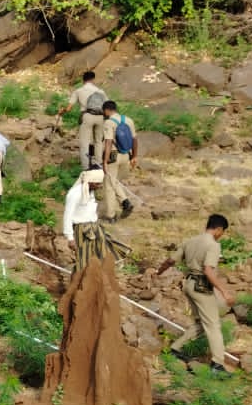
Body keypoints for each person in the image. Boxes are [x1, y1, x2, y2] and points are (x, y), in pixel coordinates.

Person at [156, 215, 234, 373]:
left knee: (202, 323)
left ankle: (175, 348)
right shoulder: (213, 245)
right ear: (219, 229)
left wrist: (159, 271)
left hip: (189, 285)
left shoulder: (190, 240)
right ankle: (217, 364)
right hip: (201, 287)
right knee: (213, 325)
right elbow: (208, 270)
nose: (222, 234)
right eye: (223, 232)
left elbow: (171, 260)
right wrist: (225, 291)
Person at [60, 164, 116, 271]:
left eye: (100, 183)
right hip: (82, 230)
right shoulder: (75, 194)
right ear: (89, 181)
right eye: (97, 183)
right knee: (84, 259)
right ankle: (80, 283)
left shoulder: (90, 191)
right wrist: (70, 238)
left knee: (102, 255)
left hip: (94, 226)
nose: (99, 186)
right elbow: (67, 215)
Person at [100, 100, 139, 220]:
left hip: (113, 155)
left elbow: (108, 142)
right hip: (126, 155)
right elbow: (135, 139)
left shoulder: (109, 123)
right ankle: (125, 202)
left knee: (109, 185)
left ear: (107, 110)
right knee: (115, 181)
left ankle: (110, 216)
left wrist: (105, 161)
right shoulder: (128, 120)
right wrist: (134, 156)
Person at [60, 71, 107, 169]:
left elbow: (68, 108)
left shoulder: (79, 91)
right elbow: (108, 105)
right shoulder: (100, 91)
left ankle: (85, 167)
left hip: (87, 116)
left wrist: (62, 111)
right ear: (93, 79)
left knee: (84, 143)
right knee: (98, 141)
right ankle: (99, 164)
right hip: (100, 117)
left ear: (83, 80)